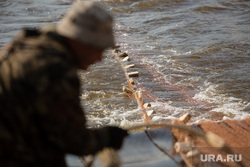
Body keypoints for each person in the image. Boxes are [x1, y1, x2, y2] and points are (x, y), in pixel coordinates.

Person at [0, 1, 128, 167]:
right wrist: (108, 136)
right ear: (83, 40)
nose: (100, 58)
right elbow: (75, 141)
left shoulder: (28, 43)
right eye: (99, 48)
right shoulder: (55, 71)